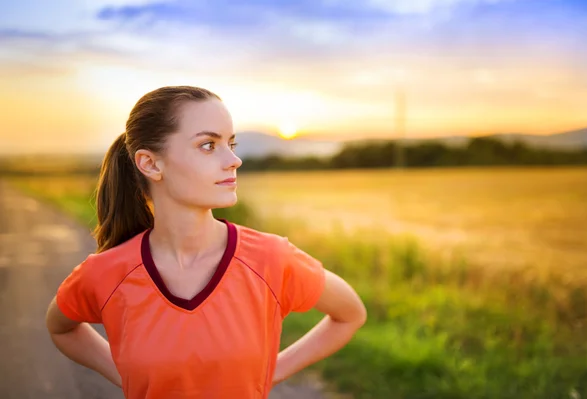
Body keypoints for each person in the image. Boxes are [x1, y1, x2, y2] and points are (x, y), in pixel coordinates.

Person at [45, 85, 367, 398]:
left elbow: (350, 313)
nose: (234, 161)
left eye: (231, 144)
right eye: (208, 146)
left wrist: (270, 372)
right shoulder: (107, 272)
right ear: (150, 164)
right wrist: (129, 377)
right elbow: (61, 327)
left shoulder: (270, 258)